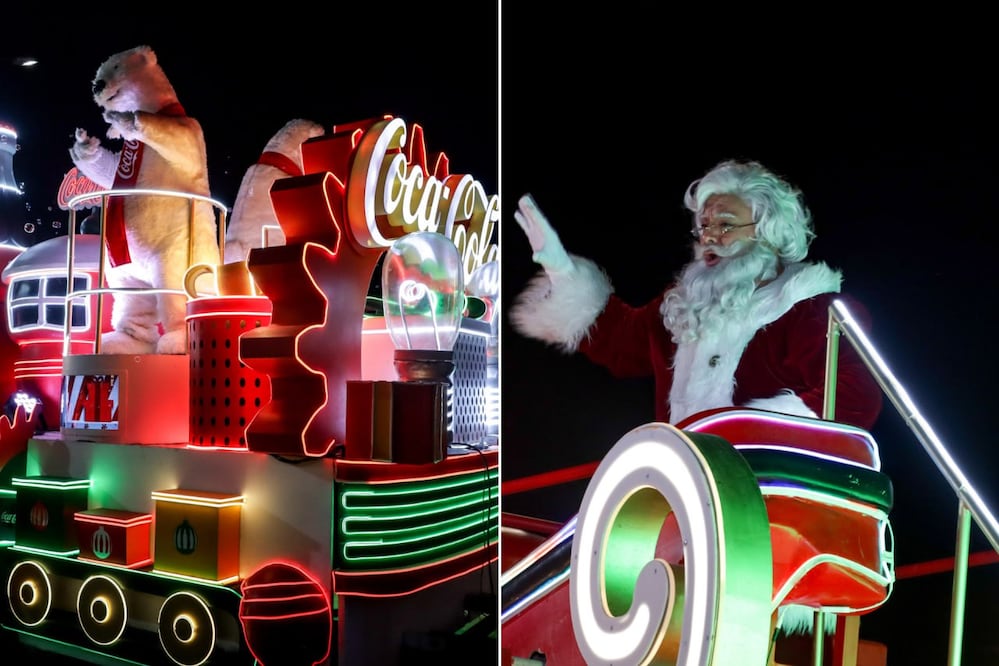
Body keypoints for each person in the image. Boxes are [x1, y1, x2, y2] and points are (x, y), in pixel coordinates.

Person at [508, 159, 882, 430]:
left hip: (769, 494)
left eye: (726, 225)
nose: (710, 238)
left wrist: (742, 432)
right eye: (704, 226)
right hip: (686, 491)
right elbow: (620, 340)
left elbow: (853, 397)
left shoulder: (810, 310)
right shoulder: (686, 307)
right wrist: (561, 269)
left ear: (769, 230)